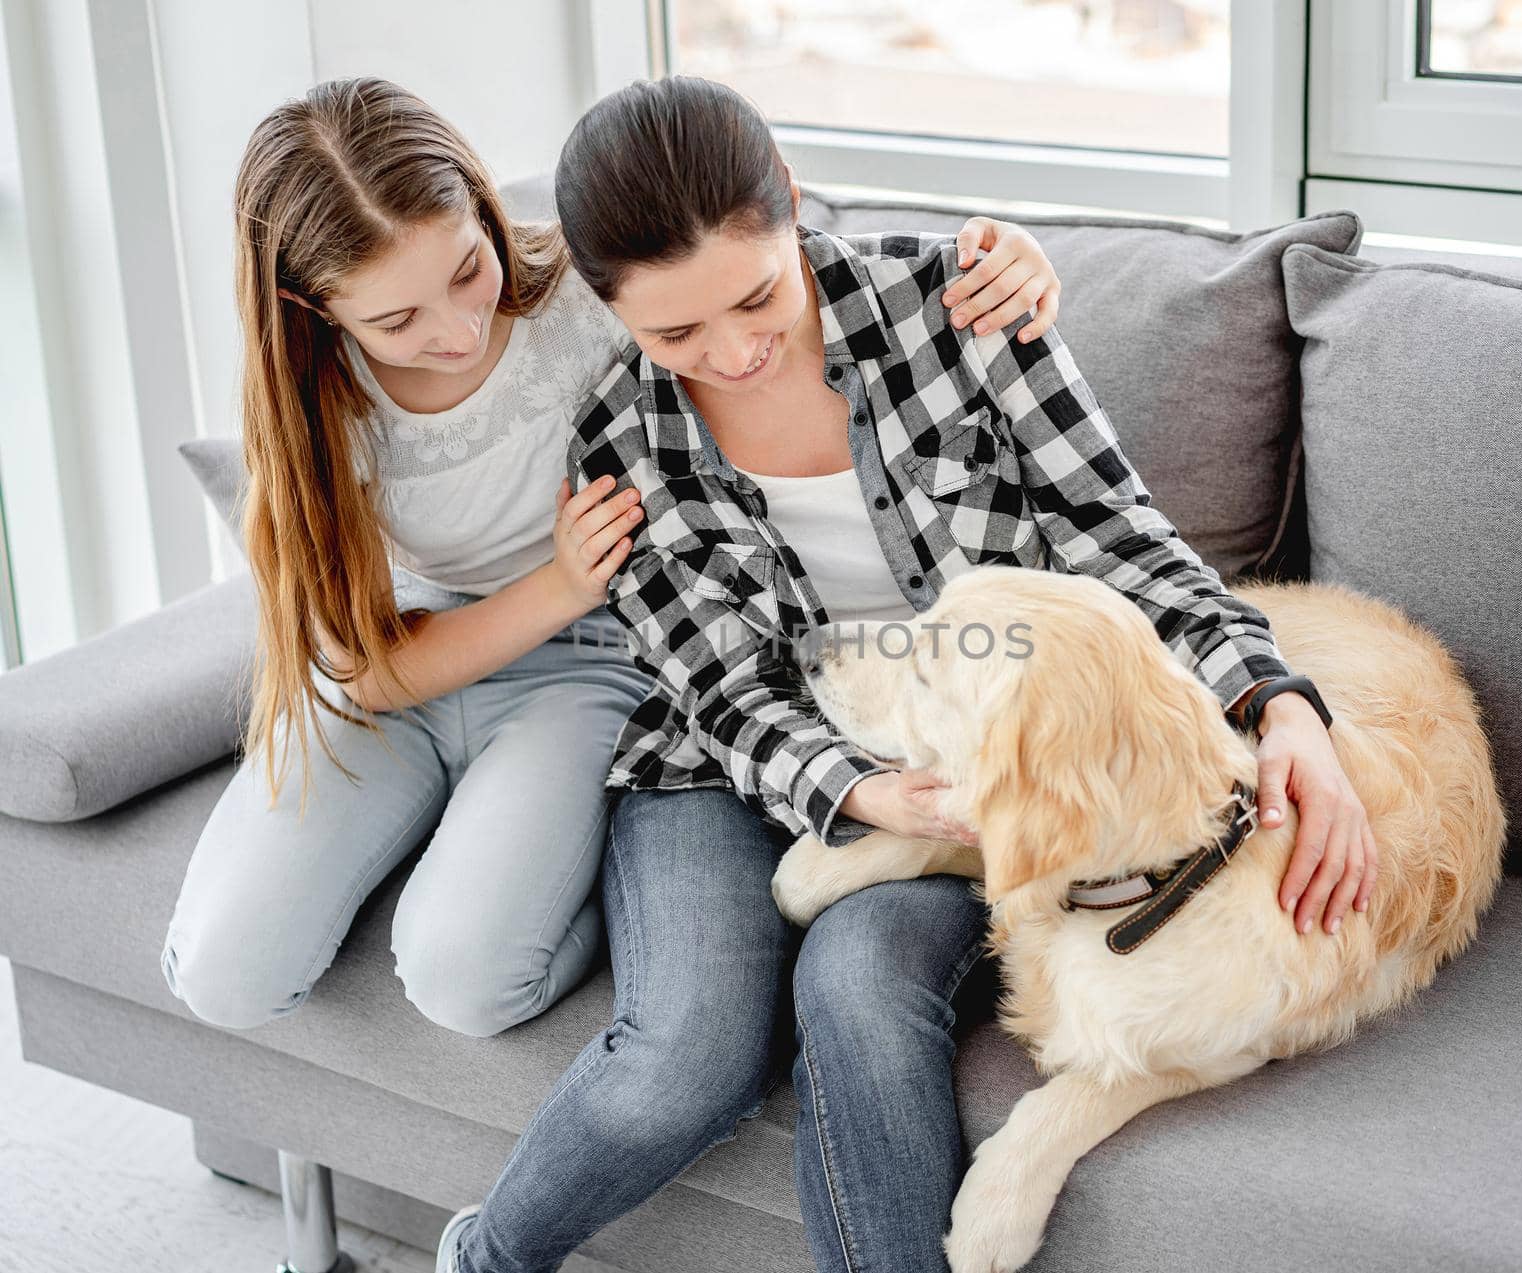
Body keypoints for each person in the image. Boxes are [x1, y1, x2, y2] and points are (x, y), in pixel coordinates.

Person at [437, 76, 1378, 1271]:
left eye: (755, 294)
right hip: (726, 762)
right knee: (684, 1051)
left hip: (960, 753)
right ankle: (484, 1258)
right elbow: (724, 694)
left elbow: (1117, 540)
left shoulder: (961, 308)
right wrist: (858, 793)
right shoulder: (620, 435)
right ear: (609, 307)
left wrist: (1279, 703)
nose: (730, 352)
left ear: (787, 202)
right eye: (674, 334)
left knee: (863, 981)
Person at [160, 76, 1064, 1043]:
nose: (457, 331)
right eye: (395, 322)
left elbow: (751, 246)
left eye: (469, 270)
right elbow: (367, 673)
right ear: (313, 308)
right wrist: (558, 581)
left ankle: (555, 883)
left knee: (466, 980)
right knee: (223, 976)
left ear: (480, 200)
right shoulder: (305, 407)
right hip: (408, 666)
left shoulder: (587, 296)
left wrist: (1001, 255)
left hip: (591, 659)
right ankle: (457, 837)